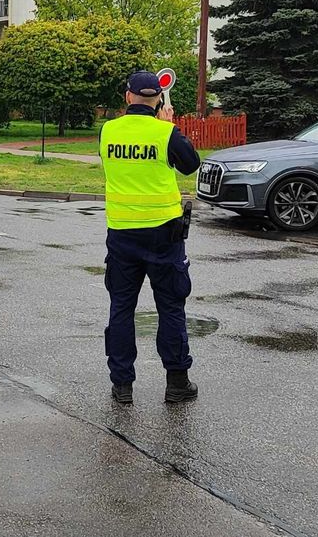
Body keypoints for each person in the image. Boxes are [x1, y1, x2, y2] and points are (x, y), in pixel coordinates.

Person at [99, 71, 201, 405]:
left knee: (122, 308)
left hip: (122, 235)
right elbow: (190, 165)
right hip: (164, 235)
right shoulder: (165, 132)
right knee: (171, 307)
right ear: (158, 99)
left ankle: (122, 385)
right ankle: (176, 383)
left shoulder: (108, 132)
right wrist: (169, 125)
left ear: (128, 97)